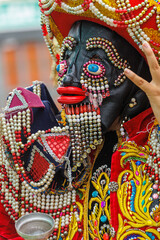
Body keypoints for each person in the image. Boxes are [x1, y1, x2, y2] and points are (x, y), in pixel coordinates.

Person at [0, 0, 160, 239]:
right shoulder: (41, 149)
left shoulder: (150, 146)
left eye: (93, 66)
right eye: (67, 58)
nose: (68, 79)